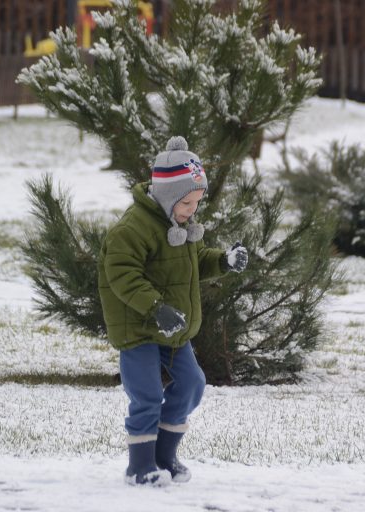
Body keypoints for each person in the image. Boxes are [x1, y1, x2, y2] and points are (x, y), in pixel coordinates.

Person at [97, 136, 248, 486]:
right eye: (187, 202)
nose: (192, 209)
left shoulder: (178, 225)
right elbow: (121, 274)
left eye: (197, 201)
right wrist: (156, 308)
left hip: (172, 329)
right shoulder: (132, 229)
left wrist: (224, 260)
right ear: (167, 196)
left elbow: (195, 262)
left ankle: (164, 456)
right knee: (147, 394)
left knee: (192, 384)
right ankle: (139, 466)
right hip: (138, 327)